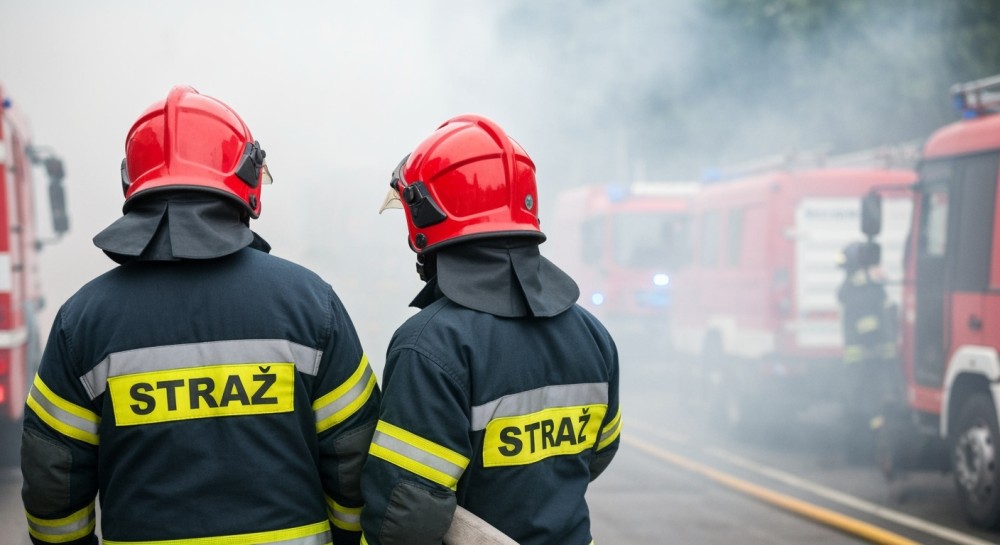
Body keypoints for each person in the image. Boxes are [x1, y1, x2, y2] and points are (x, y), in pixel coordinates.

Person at [20, 85, 380, 545]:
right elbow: (354, 459)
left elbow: (52, 480)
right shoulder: (311, 304)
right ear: (248, 179)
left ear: (132, 183)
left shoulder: (82, 321)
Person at [363, 114, 621, 545]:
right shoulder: (592, 334)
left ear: (424, 219)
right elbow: (599, 451)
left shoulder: (430, 345)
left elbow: (408, 510)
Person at [836, 241, 898, 462]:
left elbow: (868, 324)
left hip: (864, 359)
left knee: (863, 404)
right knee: (875, 403)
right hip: (877, 356)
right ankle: (876, 447)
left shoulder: (858, 288)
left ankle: (865, 451)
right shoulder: (871, 284)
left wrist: (870, 348)